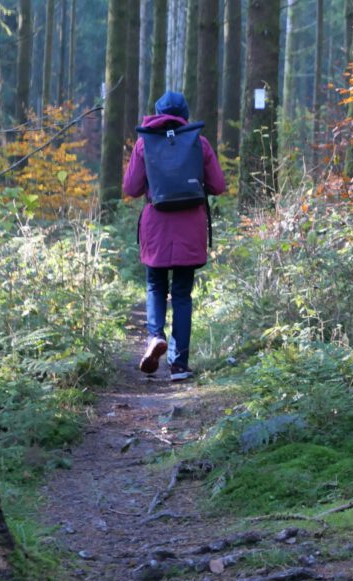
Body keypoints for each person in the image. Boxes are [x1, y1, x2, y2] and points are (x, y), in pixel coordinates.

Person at [123, 91, 227, 381]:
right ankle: (179, 364)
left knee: (156, 284)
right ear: (185, 114)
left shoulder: (145, 143)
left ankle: (155, 336)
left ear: (156, 113)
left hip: (156, 224)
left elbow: (131, 188)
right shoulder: (199, 142)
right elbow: (218, 185)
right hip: (190, 225)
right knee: (182, 293)